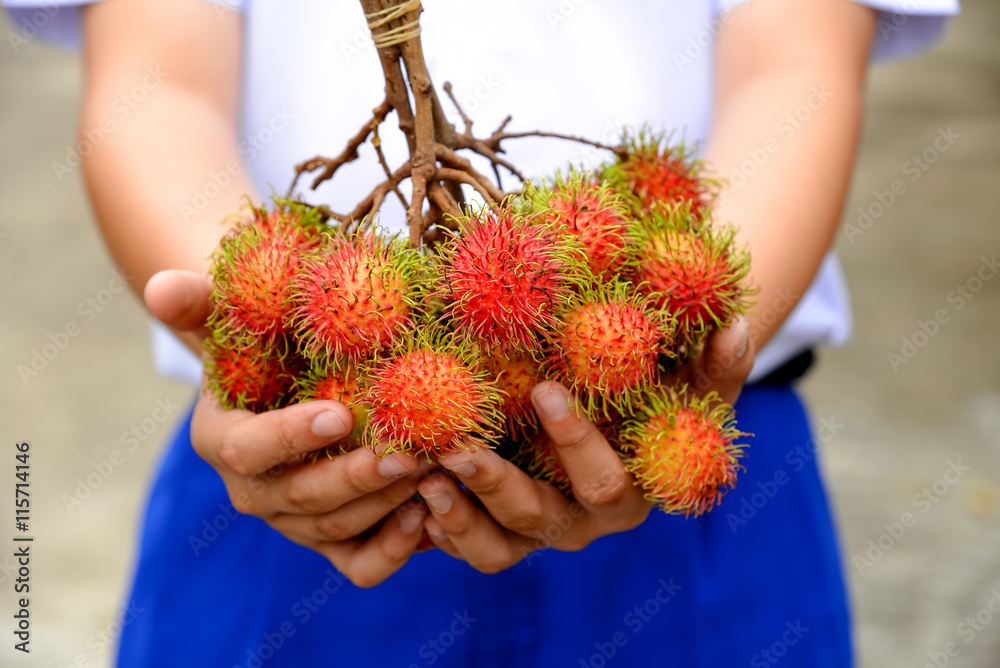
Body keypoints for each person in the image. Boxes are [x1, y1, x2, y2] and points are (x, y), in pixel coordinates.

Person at [7, 0, 958, 665]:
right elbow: (154, 81)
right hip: (298, 472)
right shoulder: (311, 397)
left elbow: (799, 67)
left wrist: (700, 339)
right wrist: (246, 326)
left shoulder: (638, 360)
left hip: (693, 480)